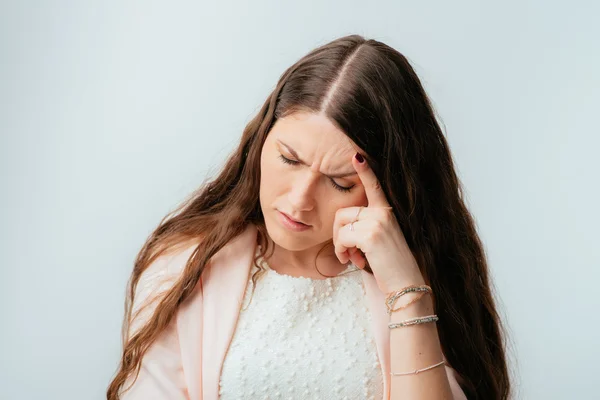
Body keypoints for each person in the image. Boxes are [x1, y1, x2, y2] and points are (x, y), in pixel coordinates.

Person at [107, 34, 511, 400]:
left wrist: (407, 291)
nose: (300, 201)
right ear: (262, 138)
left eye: (339, 182)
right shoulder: (184, 266)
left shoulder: (423, 281)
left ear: (388, 186)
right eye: (289, 158)